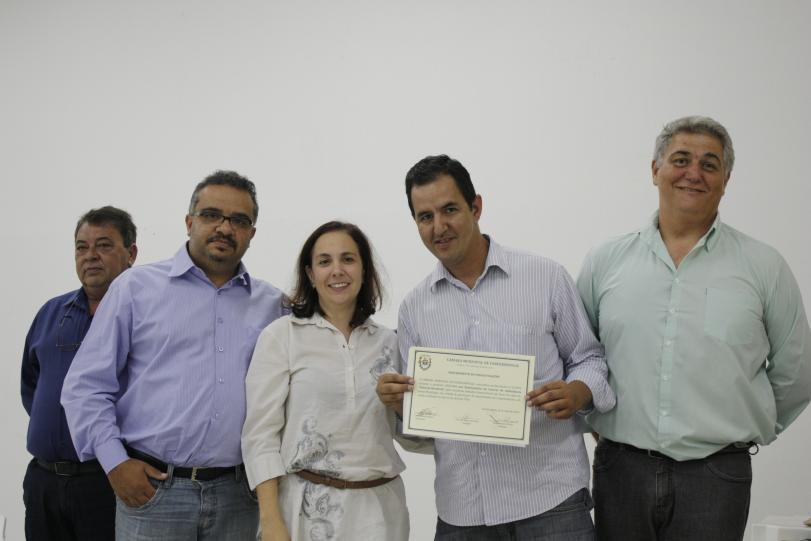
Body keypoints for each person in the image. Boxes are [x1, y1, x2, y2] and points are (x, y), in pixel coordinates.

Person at [577, 116, 811, 541]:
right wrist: (598, 420)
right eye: (681, 159)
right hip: (621, 470)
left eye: (709, 164)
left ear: (726, 180)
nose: (694, 173)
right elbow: (581, 354)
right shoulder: (605, 261)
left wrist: (746, 421)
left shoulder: (763, 266)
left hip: (717, 476)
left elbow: (797, 369)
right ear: (655, 170)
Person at [376, 155, 615, 540]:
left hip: (551, 500)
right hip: (463, 509)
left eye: (449, 209)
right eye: (425, 217)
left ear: (476, 207)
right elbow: (422, 416)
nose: (439, 227)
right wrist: (401, 403)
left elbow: (589, 358)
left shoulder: (545, 277)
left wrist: (576, 391)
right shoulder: (414, 308)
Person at [61, 170, 286, 540]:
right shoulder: (135, 289)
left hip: (239, 498)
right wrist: (115, 464)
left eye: (239, 220)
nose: (224, 228)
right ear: (189, 222)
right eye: (211, 215)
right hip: (154, 493)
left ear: (252, 233)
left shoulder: (273, 305)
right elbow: (86, 387)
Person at [242, 221, 425, 541]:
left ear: (364, 269)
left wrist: (401, 407)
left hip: (380, 513)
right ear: (310, 274)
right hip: (304, 512)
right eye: (324, 261)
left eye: (348, 259)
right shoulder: (282, 336)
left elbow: (415, 438)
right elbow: (260, 436)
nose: (337, 270)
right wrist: (270, 521)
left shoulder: (390, 343)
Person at [21, 206, 137, 541]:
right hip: (44, 481)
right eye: (81, 247)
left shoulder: (144, 316)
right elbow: (31, 384)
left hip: (106, 482)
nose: (90, 256)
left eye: (104, 246)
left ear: (131, 254)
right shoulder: (51, 312)